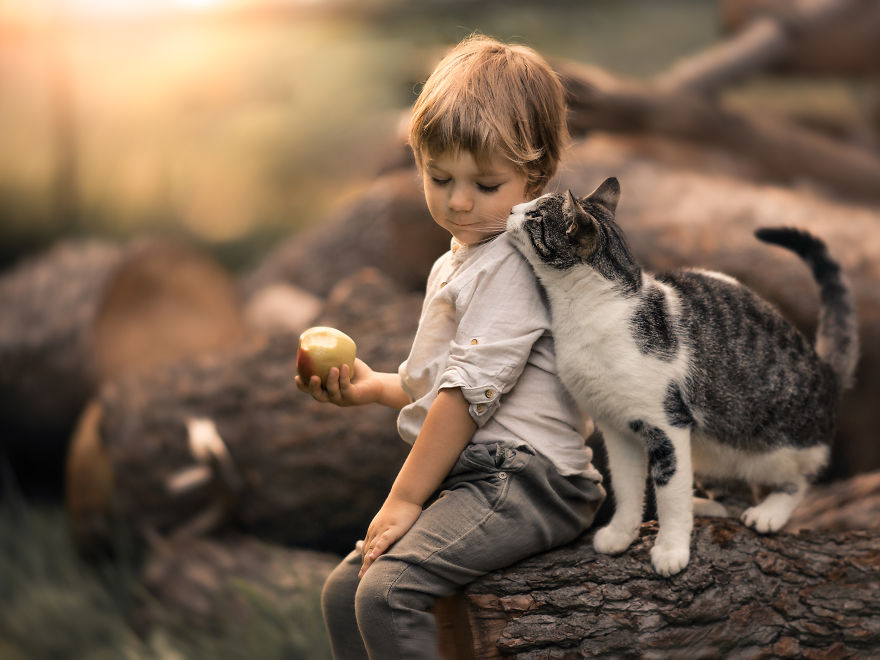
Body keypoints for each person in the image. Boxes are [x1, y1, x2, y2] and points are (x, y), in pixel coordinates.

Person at [296, 34, 605, 659]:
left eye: (486, 184)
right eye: (440, 178)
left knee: (388, 593)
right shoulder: (460, 260)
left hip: (534, 480)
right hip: (483, 476)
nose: (459, 200)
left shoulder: (517, 260)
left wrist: (405, 498)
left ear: (534, 176)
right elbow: (436, 382)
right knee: (340, 594)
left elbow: (467, 395)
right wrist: (373, 387)